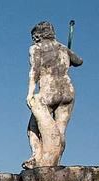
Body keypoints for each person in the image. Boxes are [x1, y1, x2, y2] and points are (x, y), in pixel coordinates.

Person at [23, 21, 83, 169]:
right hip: (67, 91)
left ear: (37, 36)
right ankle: (55, 162)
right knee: (59, 131)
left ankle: (36, 157)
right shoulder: (63, 48)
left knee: (33, 127)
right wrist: (68, 55)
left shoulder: (36, 48)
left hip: (49, 90)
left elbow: (34, 71)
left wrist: (30, 93)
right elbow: (79, 61)